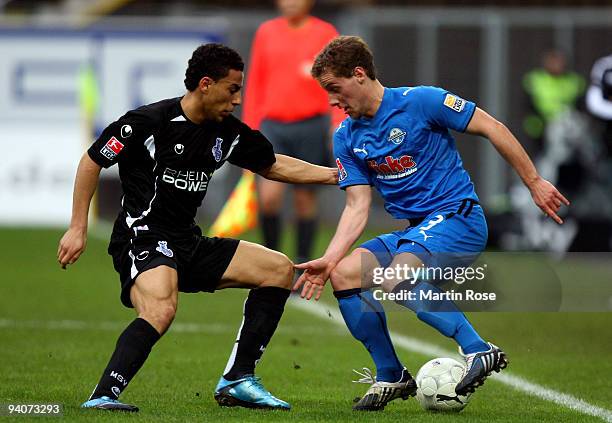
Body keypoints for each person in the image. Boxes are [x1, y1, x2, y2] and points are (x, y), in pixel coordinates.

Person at [294, 36, 569, 411]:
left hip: (460, 218)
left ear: (359, 74)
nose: (331, 100)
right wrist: (328, 259)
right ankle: (391, 374)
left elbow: (493, 127)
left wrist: (534, 182)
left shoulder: (422, 101)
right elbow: (357, 206)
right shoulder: (346, 136)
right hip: (417, 229)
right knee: (343, 274)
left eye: (334, 88)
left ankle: (478, 350)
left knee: (396, 279)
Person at [57, 43, 336, 412]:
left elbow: (272, 164)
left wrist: (337, 176)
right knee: (160, 308)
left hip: (187, 242)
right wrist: (78, 227)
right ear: (206, 84)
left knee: (279, 269)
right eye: (232, 88)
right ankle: (104, 395)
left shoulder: (227, 131)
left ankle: (238, 379)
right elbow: (93, 161)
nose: (237, 99)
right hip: (143, 237)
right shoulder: (147, 122)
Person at [242, 0, 344, 264]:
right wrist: (249, 132)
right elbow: (255, 84)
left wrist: (338, 121)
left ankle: (301, 263)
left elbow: (336, 82)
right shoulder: (266, 32)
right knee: (269, 198)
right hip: (273, 126)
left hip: (311, 126)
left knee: (304, 200)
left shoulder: (325, 32)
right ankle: (273, 263)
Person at [522, 49, 585, 148]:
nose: (556, 65)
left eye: (559, 61)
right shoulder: (535, 79)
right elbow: (528, 105)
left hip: (566, 127)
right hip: (541, 127)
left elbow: (581, 106)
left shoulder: (574, 81)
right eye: (553, 61)